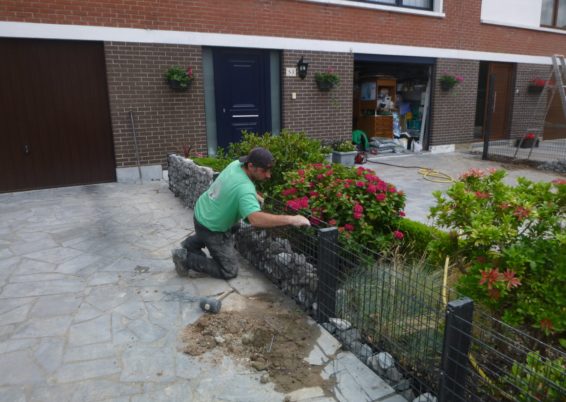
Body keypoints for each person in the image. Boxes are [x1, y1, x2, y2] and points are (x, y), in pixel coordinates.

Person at [172, 147, 310, 279]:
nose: (268, 175)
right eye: (264, 171)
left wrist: (254, 195)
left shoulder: (236, 165)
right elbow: (256, 219)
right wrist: (292, 219)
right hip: (210, 226)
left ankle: (191, 244)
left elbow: (234, 186)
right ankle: (185, 258)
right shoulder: (244, 188)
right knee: (229, 270)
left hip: (202, 212)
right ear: (250, 166)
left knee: (235, 225)